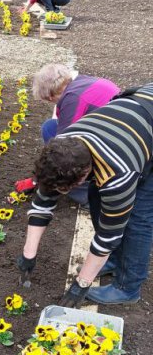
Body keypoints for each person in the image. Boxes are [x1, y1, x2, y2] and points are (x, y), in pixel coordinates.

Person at [16, 82, 153, 306]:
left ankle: (128, 287)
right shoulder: (60, 148)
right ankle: (116, 260)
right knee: (96, 196)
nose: (60, 193)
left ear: (82, 176)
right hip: (136, 110)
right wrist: (28, 254)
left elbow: (109, 235)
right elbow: (42, 203)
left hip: (143, 131)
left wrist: (82, 283)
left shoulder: (118, 174)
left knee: (139, 216)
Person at [17, 65, 121, 205]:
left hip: (113, 147)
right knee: (50, 127)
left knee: (65, 153)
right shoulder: (81, 82)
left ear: (50, 96)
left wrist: (38, 180)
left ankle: (88, 195)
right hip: (119, 131)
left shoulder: (73, 99)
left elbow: (61, 147)